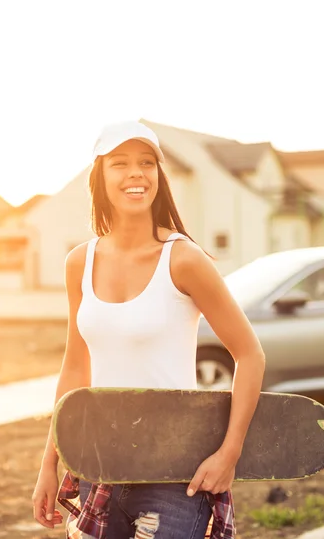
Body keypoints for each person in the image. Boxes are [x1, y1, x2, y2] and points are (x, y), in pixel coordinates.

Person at [31, 121, 266, 539]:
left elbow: (250, 354)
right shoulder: (78, 263)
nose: (135, 173)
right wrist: (48, 463)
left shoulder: (184, 259)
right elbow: (75, 368)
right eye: (120, 163)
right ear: (100, 178)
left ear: (159, 175)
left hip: (173, 474)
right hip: (97, 463)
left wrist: (229, 455)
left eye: (146, 163)